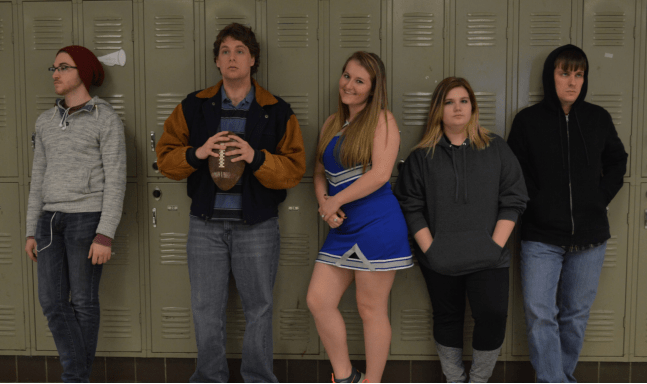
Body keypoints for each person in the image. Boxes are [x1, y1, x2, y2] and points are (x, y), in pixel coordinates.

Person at [156, 23, 305, 383]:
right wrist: (198, 152)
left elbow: (293, 170)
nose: (232, 57)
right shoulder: (194, 107)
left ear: (253, 60)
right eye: (225, 51)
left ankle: (258, 378)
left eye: (240, 50)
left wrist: (256, 157)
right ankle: (209, 378)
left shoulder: (276, 110)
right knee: (206, 310)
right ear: (217, 62)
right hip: (205, 227)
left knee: (259, 310)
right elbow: (165, 159)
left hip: (257, 228)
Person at [507, 44, 628, 382]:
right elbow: (515, 172)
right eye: (565, 73)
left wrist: (599, 197)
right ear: (551, 76)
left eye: (578, 74)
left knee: (574, 317)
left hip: (590, 240)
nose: (572, 82)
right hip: (541, 238)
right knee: (539, 314)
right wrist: (539, 203)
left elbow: (618, 161)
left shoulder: (597, 118)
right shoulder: (527, 121)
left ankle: (555, 377)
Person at [394, 77, 528, 383]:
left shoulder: (496, 148)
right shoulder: (420, 157)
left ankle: (478, 381)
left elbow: (514, 198)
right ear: (438, 110)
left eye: (464, 101)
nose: (457, 108)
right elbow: (410, 204)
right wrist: (431, 248)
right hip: (440, 258)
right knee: (447, 319)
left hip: (490, 257)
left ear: (473, 107)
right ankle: (454, 379)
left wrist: (495, 245)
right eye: (449, 102)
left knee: (493, 317)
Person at [306, 51, 413, 383]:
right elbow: (319, 171)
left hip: (378, 225)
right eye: (346, 75)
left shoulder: (383, 120)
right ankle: (346, 376)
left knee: (370, 310)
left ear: (373, 88)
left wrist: (335, 199)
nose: (349, 85)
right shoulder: (331, 122)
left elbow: (381, 174)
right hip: (342, 226)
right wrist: (325, 202)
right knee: (318, 300)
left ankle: (372, 382)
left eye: (359, 80)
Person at [24, 45, 127, 382]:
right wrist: (30, 230)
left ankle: (74, 378)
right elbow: (37, 178)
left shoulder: (105, 117)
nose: (55, 73)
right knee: (52, 302)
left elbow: (116, 178)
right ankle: (79, 376)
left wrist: (105, 232)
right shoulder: (45, 121)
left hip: (87, 219)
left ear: (81, 72)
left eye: (63, 67)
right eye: (53, 68)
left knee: (83, 301)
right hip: (49, 221)